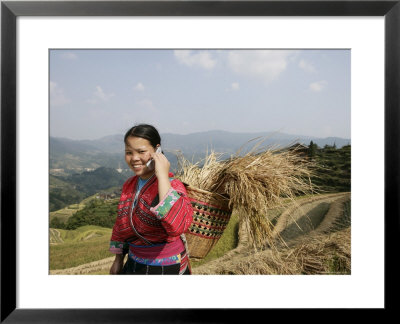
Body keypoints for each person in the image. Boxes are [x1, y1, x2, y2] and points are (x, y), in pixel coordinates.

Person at [109, 124, 193, 275]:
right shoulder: (129, 185)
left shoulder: (172, 185)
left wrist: (162, 175)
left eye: (141, 151)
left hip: (168, 265)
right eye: (128, 152)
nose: (134, 158)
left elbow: (176, 226)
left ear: (157, 150)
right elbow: (120, 223)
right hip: (135, 262)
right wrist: (118, 259)